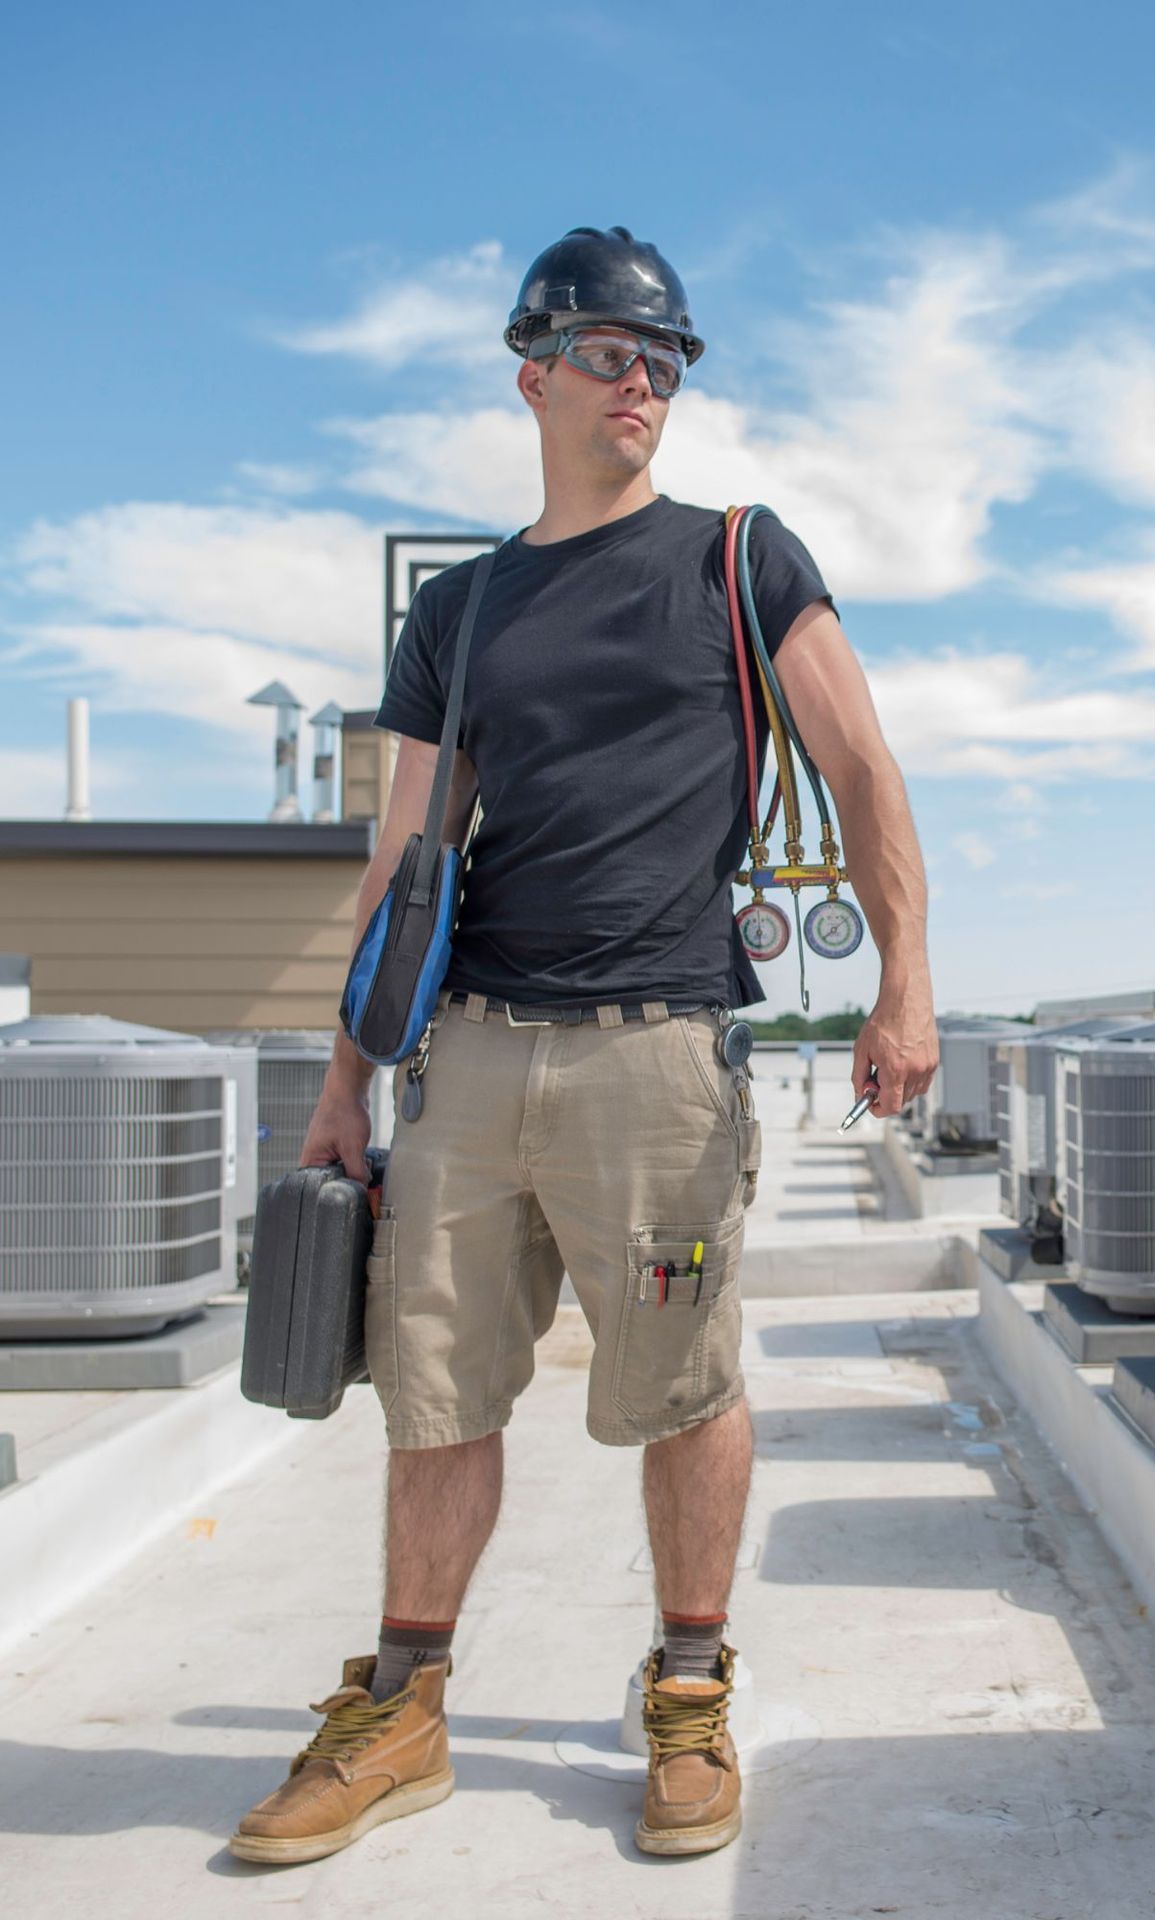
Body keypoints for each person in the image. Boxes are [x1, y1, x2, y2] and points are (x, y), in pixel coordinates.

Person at [228, 226, 940, 1867]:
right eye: (615, 353)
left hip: (660, 1055)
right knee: (433, 1393)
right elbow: (399, 862)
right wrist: (345, 1081)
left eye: (669, 360)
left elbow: (866, 769)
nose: (646, 384)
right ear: (533, 366)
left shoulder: (740, 558)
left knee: (687, 1390)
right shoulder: (463, 613)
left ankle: (688, 1694)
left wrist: (905, 986)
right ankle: (405, 1713)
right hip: (467, 1061)